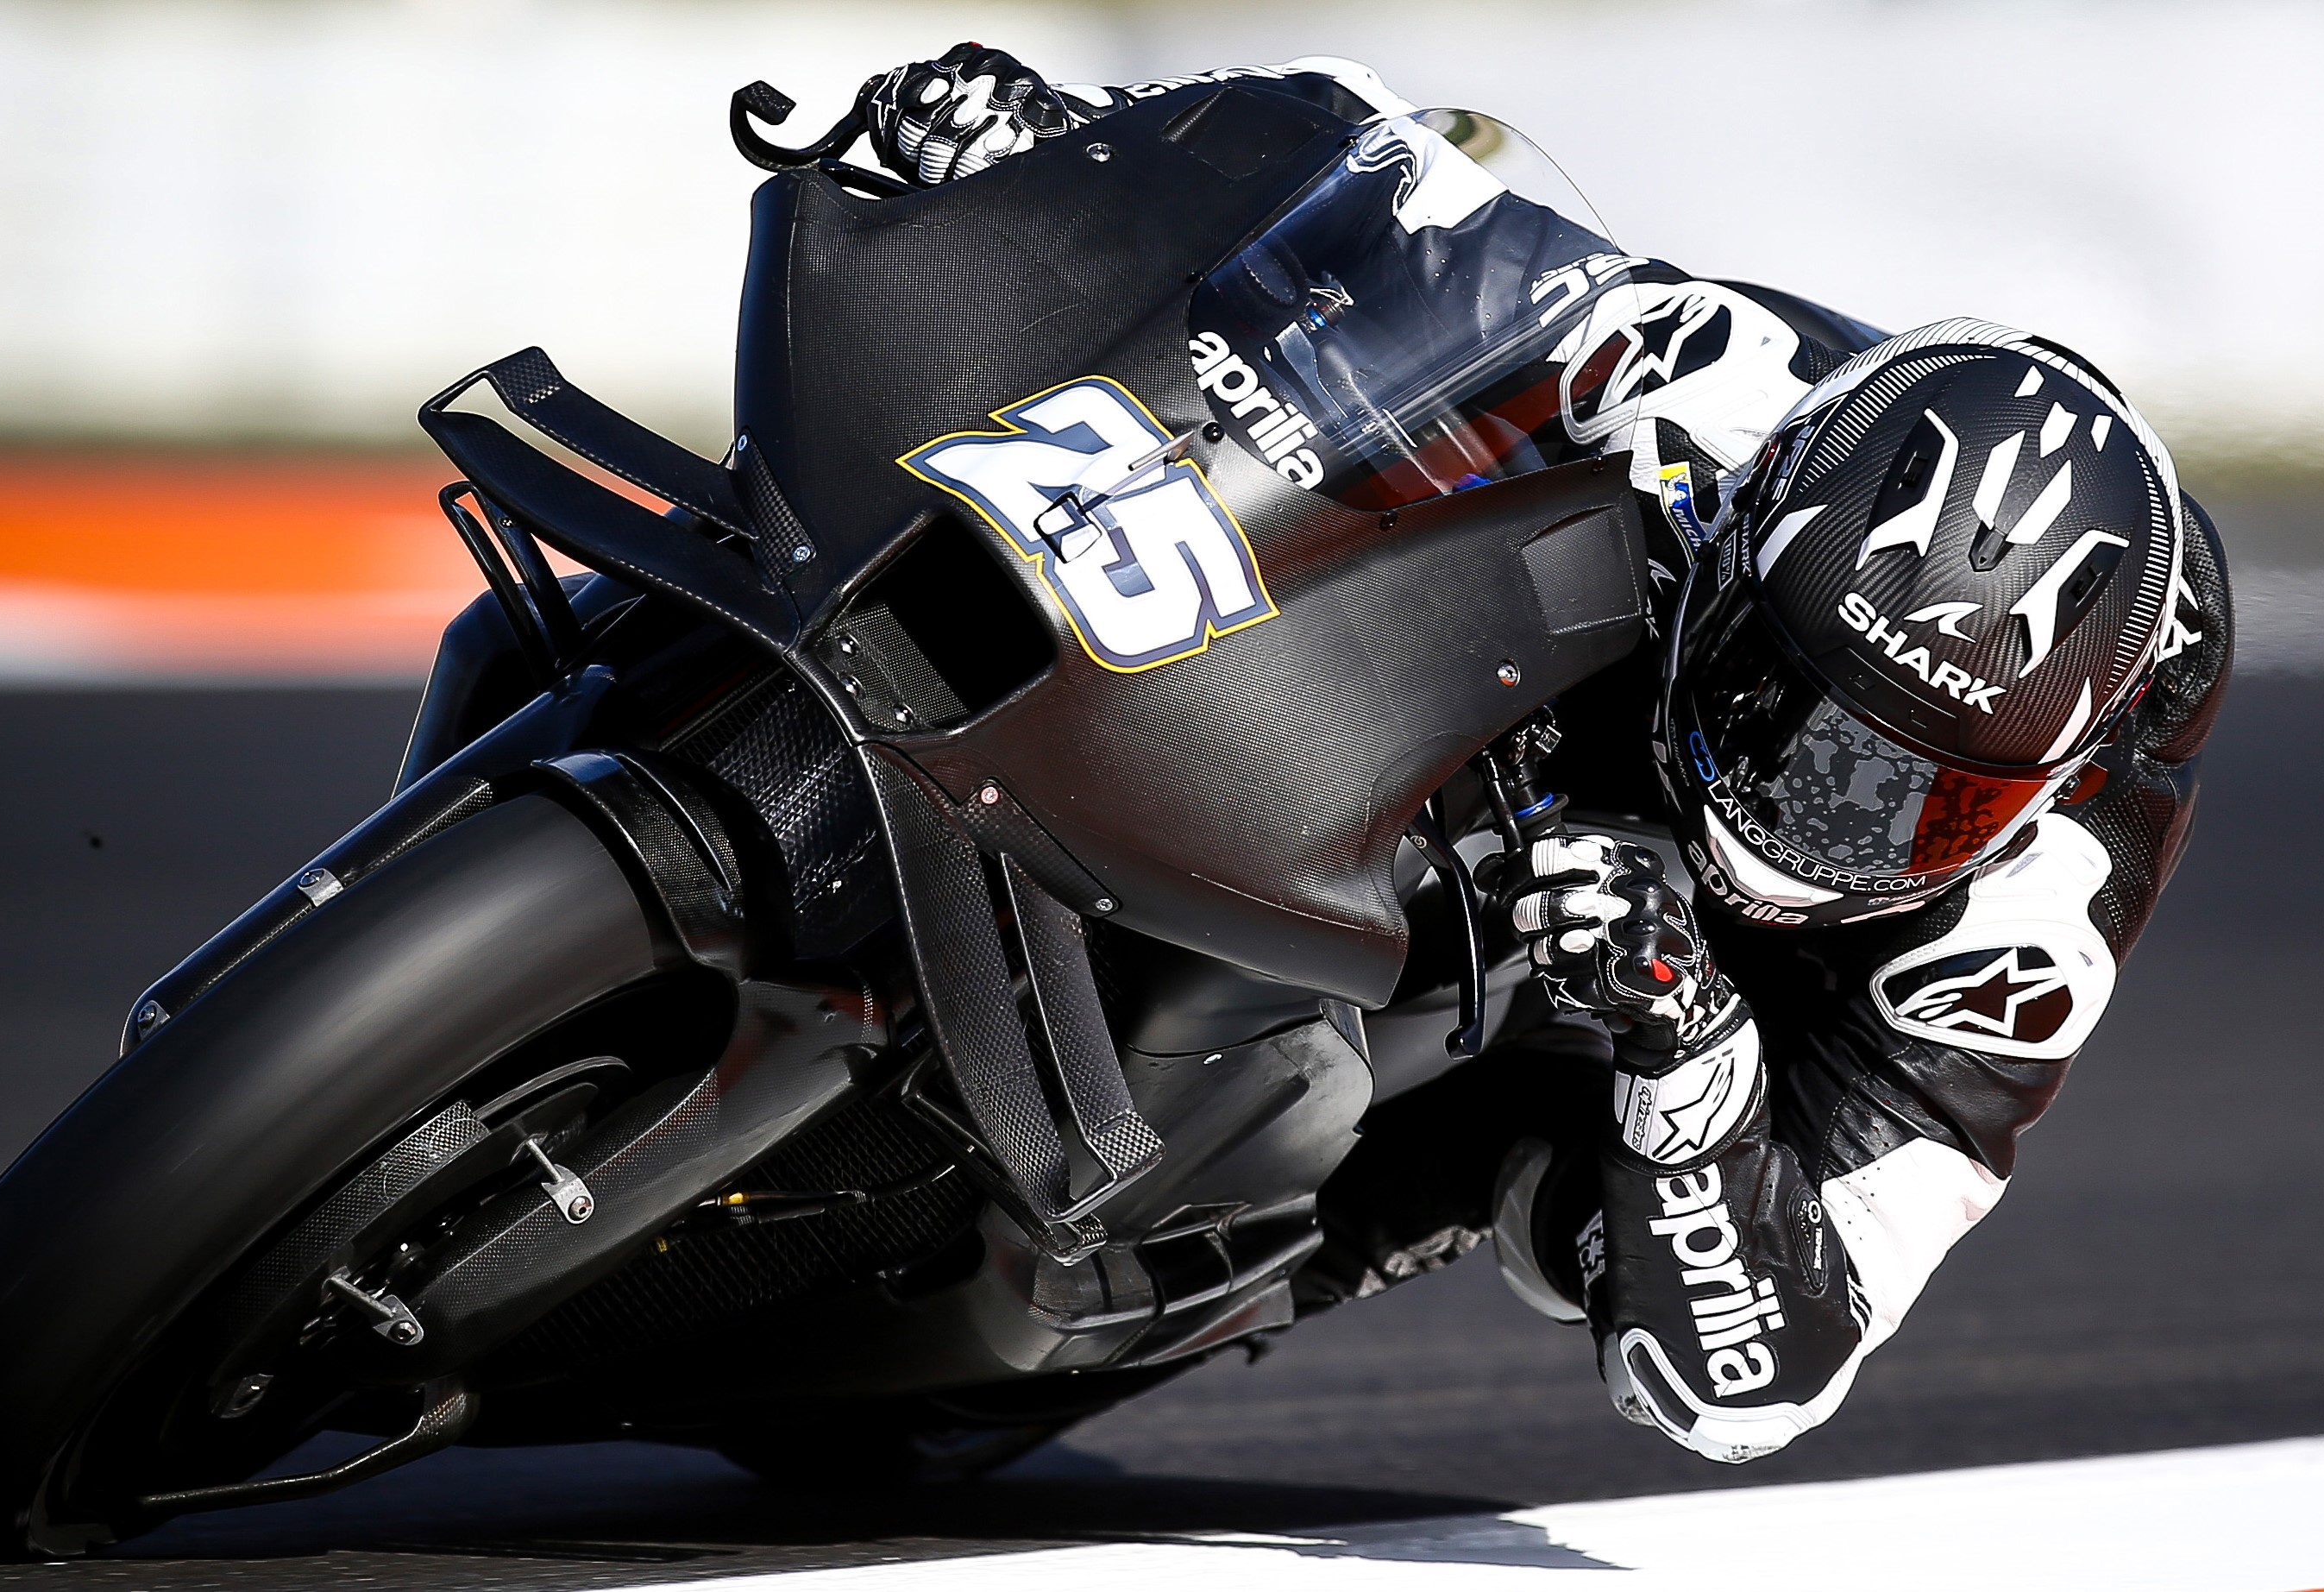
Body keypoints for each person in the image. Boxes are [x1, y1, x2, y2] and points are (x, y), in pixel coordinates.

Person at [861, 45, 2233, 1463]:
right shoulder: (1715, 381)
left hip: (1672, 1000)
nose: (1810, 807)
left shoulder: (2033, 917)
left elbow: (1754, 1383)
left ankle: (1224, 1250)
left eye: (1918, 801)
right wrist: (1069, 148)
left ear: (2034, 796)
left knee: (1528, 1165)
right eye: (1785, 699)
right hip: (1513, 696)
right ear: (1748, 538)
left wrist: (1686, 1036)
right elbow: (1376, 183)